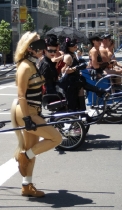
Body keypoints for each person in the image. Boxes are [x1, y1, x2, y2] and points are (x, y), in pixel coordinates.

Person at [11, 31, 62, 197]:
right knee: (56, 138)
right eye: (39, 45)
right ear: (29, 48)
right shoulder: (25, 67)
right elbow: (21, 95)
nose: (42, 49)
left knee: (33, 149)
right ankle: (24, 157)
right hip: (27, 111)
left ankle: (27, 185)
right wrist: (27, 118)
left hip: (34, 110)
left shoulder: (34, 64)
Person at [60, 37, 108, 112]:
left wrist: (83, 64)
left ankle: (83, 113)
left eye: (76, 45)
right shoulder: (67, 56)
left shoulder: (74, 55)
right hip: (70, 83)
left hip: (76, 81)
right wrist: (76, 68)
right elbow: (63, 71)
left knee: (81, 94)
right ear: (68, 47)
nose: (75, 47)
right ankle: (100, 91)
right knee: (72, 105)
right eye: (73, 46)